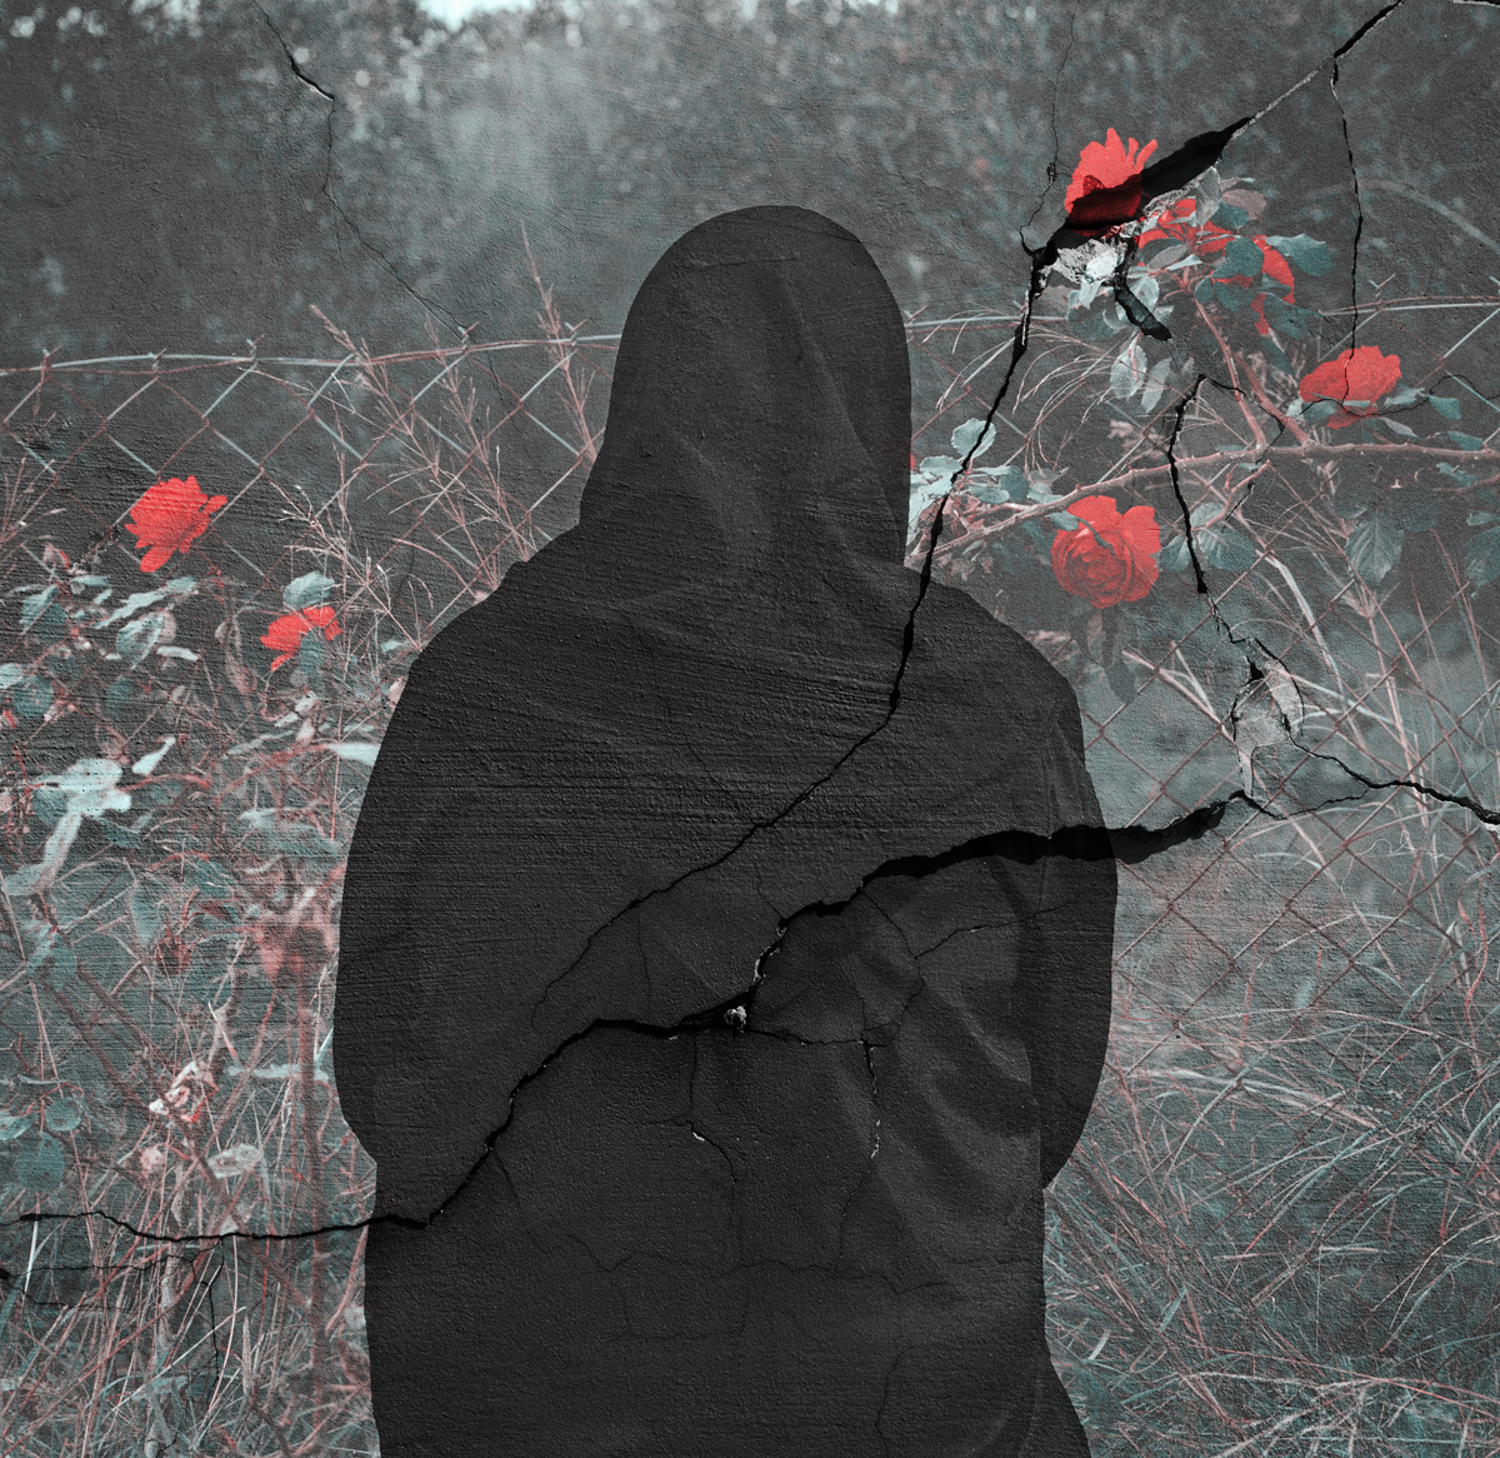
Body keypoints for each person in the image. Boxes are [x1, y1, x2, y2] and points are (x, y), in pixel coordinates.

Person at [335, 205, 1116, 1457]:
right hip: (905, 1399)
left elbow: (379, 1064)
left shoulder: (480, 688)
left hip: (529, 1392)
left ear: (640, 411)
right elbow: (1052, 1086)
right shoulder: (993, 706)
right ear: (877, 419)